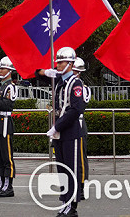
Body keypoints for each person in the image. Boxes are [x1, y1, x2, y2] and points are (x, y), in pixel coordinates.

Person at [43, 47, 86, 217]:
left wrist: (57, 126)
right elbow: (37, 74)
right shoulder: (60, 82)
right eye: (58, 61)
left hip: (70, 131)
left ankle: (72, 205)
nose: (58, 64)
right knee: (61, 169)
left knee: (71, 169)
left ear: (70, 64)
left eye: (61, 62)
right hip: (60, 132)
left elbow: (76, 110)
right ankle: (64, 201)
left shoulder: (76, 83)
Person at [0, 56, 17, 198]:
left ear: (9, 71)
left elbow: (7, 105)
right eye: (0, 68)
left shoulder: (10, 87)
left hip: (5, 123)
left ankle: (8, 185)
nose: (0, 71)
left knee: (7, 156)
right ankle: (2, 183)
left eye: (3, 68)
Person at [72, 57, 90, 201]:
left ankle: (82, 185)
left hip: (78, 123)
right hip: (67, 125)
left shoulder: (83, 88)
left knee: (80, 158)